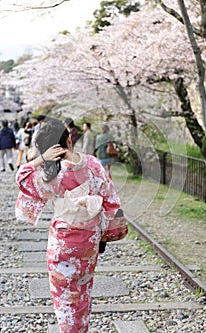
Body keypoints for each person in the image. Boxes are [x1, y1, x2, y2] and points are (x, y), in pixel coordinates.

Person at [15, 117, 121, 333]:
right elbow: (110, 198)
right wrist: (110, 231)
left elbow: (22, 178)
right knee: (83, 290)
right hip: (89, 239)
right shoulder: (92, 164)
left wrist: (40, 159)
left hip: (62, 242)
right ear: (70, 141)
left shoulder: (50, 173)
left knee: (64, 296)